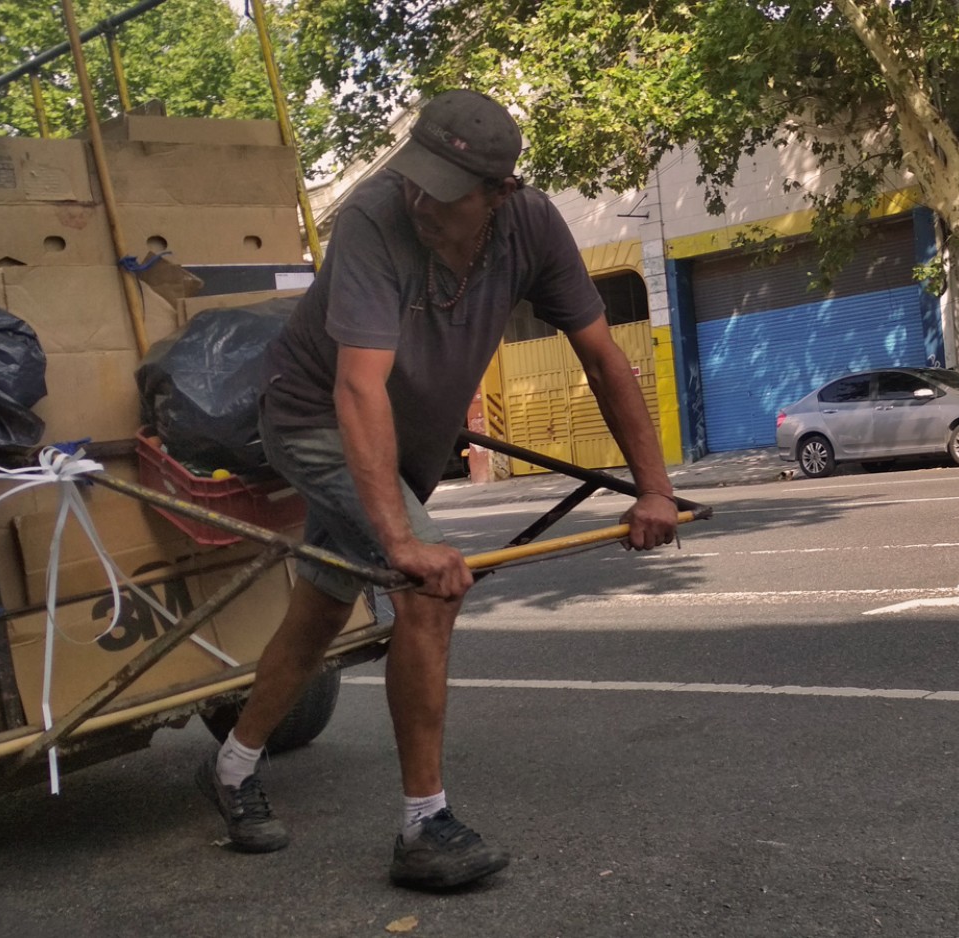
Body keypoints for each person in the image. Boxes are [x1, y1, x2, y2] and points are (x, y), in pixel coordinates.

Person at [195, 89, 680, 890]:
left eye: (445, 191)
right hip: (314, 418)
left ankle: (232, 766)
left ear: (498, 195)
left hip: (406, 438)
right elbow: (356, 389)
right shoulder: (373, 220)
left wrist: (654, 489)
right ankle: (424, 826)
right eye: (414, 177)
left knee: (320, 606)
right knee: (424, 591)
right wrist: (402, 542)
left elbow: (602, 358)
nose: (421, 199)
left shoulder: (533, 229)